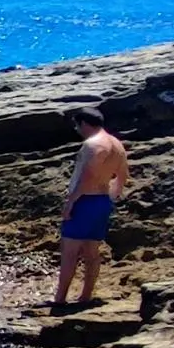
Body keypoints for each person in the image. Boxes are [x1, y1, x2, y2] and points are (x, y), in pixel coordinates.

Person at [54, 106, 129, 309]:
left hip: (85, 201)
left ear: (84, 124)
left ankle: (60, 299)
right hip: (102, 201)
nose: (77, 130)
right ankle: (86, 296)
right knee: (92, 251)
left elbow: (87, 177)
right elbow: (123, 174)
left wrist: (71, 203)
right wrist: (114, 193)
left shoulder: (93, 145)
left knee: (70, 252)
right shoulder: (116, 144)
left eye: (78, 125)